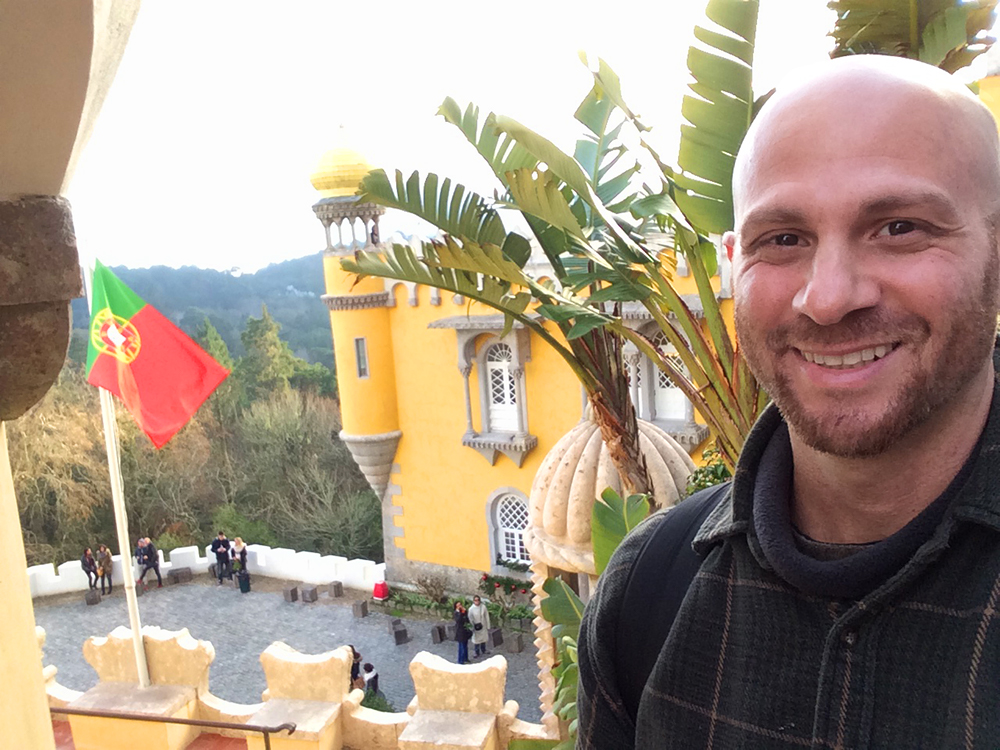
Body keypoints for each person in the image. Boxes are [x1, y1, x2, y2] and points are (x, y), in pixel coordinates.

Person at [578, 55, 1000, 749]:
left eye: (899, 227)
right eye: (784, 239)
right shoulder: (649, 593)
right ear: (732, 264)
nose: (829, 298)